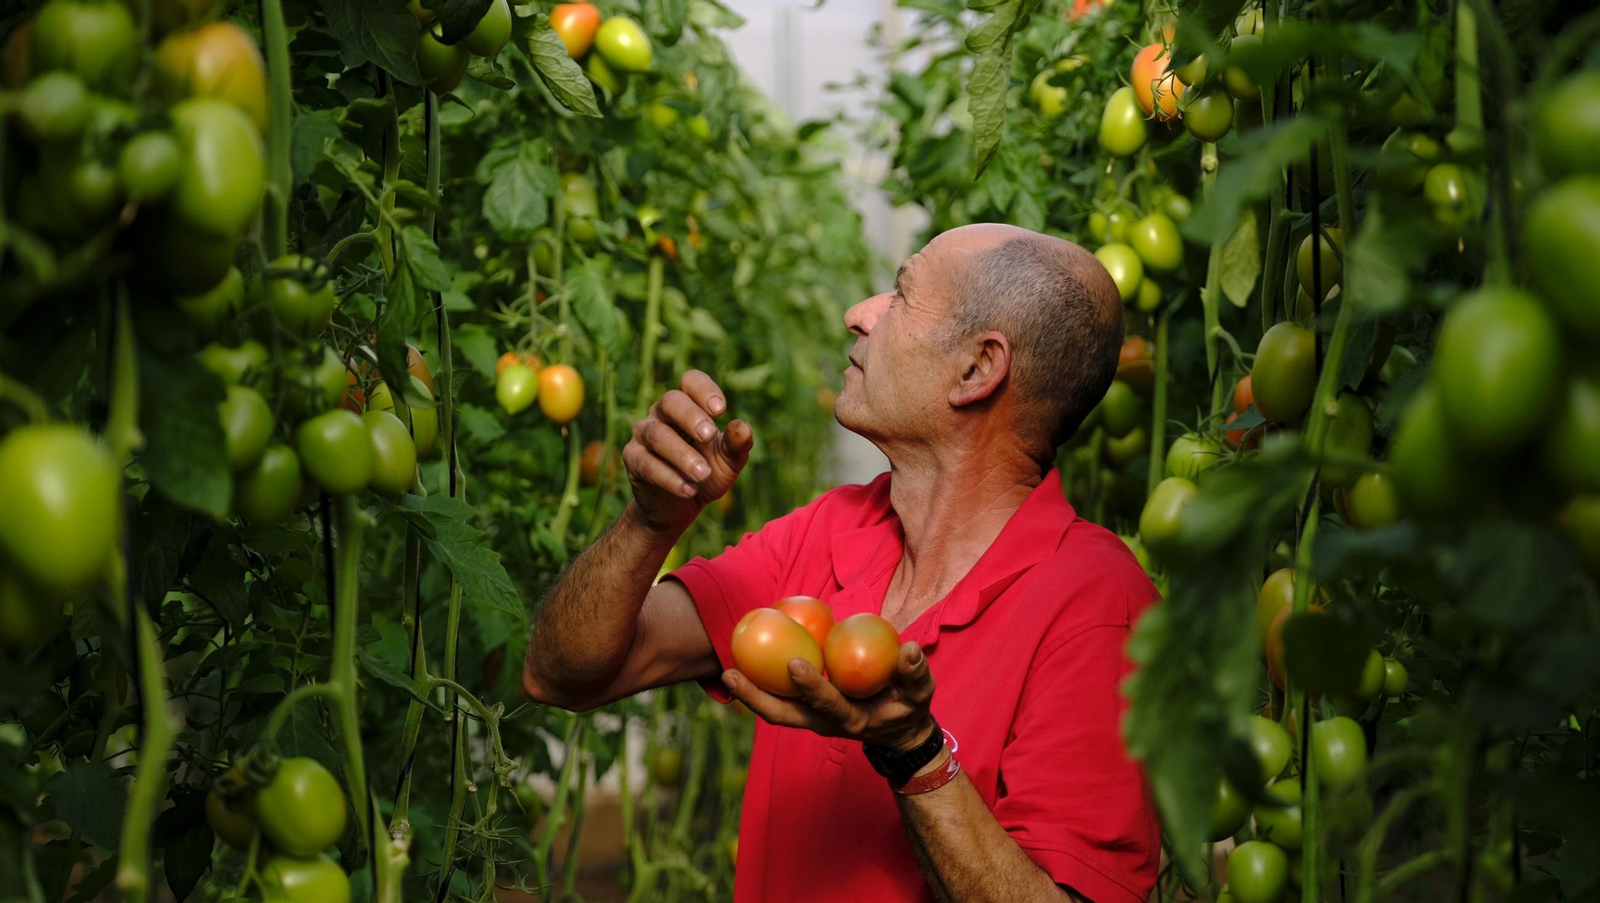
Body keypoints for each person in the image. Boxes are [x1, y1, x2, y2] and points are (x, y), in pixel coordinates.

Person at [523, 223, 1160, 902]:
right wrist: (649, 522)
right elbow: (562, 673)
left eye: (901, 293)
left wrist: (914, 752)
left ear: (978, 369)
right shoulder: (831, 529)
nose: (859, 313)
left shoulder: (1098, 606)